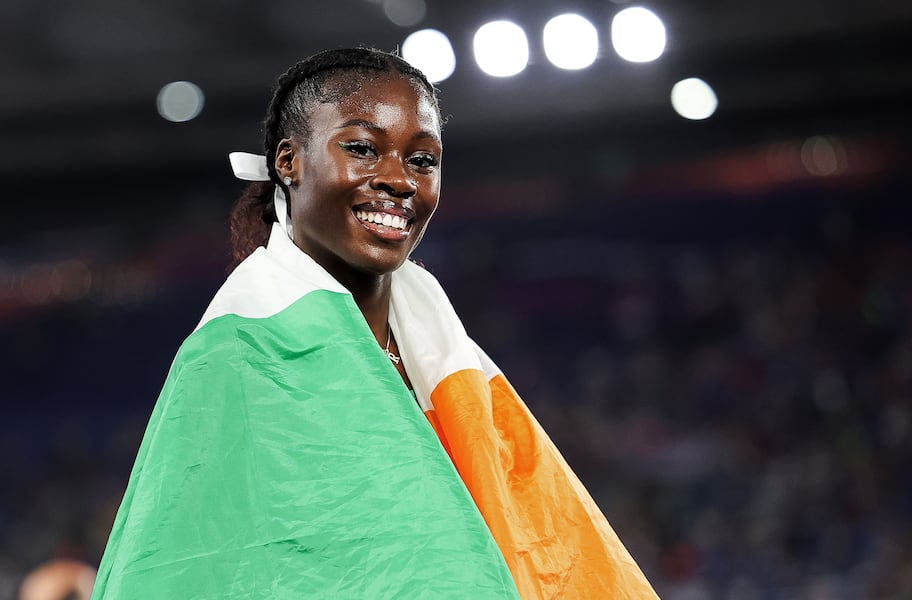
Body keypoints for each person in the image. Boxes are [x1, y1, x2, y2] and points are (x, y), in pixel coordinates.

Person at [93, 48, 657, 599]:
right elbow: (196, 566)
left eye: (422, 159)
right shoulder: (239, 354)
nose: (400, 180)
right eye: (363, 149)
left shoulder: (439, 348)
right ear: (288, 161)